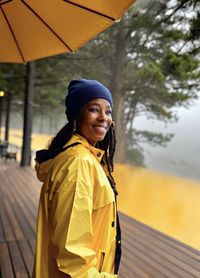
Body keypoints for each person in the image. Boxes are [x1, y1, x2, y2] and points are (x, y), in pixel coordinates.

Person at [33, 79, 121, 278]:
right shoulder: (79, 164)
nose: (104, 118)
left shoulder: (86, 157)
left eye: (108, 111)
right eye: (94, 109)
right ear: (76, 115)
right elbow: (73, 255)